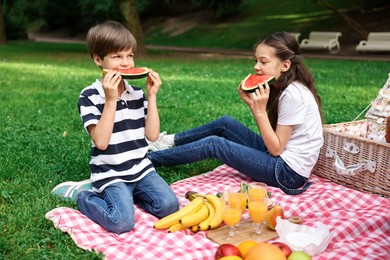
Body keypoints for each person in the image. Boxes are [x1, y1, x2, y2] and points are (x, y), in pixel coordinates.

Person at [148, 32, 324, 195]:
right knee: (225, 123)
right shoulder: (284, 87)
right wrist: (253, 106)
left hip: (287, 173)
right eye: (256, 61)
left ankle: (150, 158)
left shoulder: (293, 95)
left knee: (214, 144)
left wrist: (260, 112)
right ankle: (165, 142)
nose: (256, 67)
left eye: (263, 62)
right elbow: (275, 144)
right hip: (279, 158)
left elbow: (276, 149)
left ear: (285, 65)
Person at [51, 20, 179, 234]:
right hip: (110, 173)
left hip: (141, 169)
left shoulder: (137, 94)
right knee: (121, 222)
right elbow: (100, 142)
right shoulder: (89, 96)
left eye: (130, 55)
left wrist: (152, 96)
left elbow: (152, 135)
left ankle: (129, 196)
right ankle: (85, 194)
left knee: (169, 207)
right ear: (98, 60)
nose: (126, 63)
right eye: (117, 56)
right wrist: (111, 101)